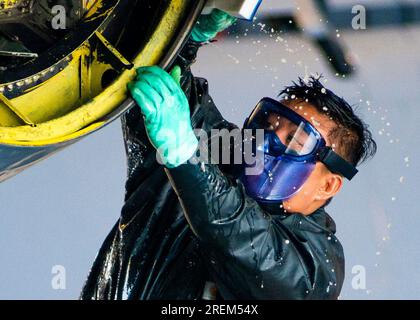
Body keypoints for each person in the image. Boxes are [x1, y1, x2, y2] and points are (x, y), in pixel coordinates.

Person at [80, 9, 376, 300]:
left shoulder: (314, 272)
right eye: (268, 124)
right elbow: (154, 76)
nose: (267, 142)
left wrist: (186, 157)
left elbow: (242, 236)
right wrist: (181, 38)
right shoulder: (220, 156)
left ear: (328, 185)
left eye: (295, 141)